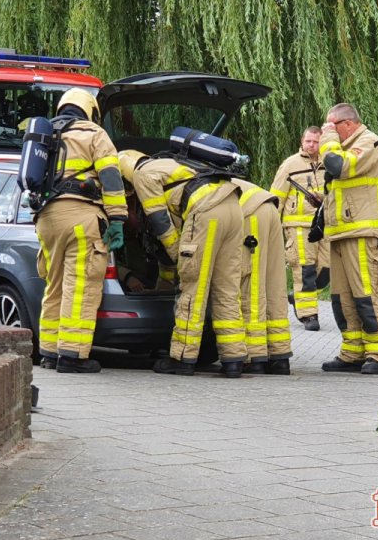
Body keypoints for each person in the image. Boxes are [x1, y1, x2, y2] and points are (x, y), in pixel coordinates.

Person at [118, 149, 247, 378]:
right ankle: (233, 358)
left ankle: (183, 358)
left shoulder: (141, 175)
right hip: (233, 205)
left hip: (205, 211)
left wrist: (179, 255)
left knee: (192, 289)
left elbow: (160, 220)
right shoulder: (166, 162)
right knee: (227, 288)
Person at [34, 88, 128, 373]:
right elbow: (111, 178)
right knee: (81, 285)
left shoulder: (46, 134)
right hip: (80, 217)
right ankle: (72, 355)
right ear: (90, 111)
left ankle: (49, 352)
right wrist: (118, 218)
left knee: (54, 285)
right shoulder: (94, 134)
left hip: (47, 219)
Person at [318, 103, 378, 374]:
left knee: (367, 296)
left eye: (331, 126)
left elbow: (338, 167)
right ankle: (352, 352)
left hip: (363, 233)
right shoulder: (345, 145)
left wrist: (326, 140)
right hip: (341, 234)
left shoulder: (368, 142)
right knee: (342, 298)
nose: (328, 131)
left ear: (347, 124)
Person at [270, 126, 331, 332]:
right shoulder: (290, 165)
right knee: (305, 269)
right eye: (309, 141)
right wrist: (271, 225)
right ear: (302, 141)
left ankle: (297, 297)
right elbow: (276, 196)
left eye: (316, 142)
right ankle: (309, 315)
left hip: (324, 224)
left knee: (327, 270)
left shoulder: (329, 163)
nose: (312, 145)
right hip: (298, 226)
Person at [233, 178, 293, 374]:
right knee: (273, 282)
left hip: (250, 212)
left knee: (251, 283)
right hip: (269, 206)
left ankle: (254, 355)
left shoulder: (156, 180)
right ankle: (279, 355)